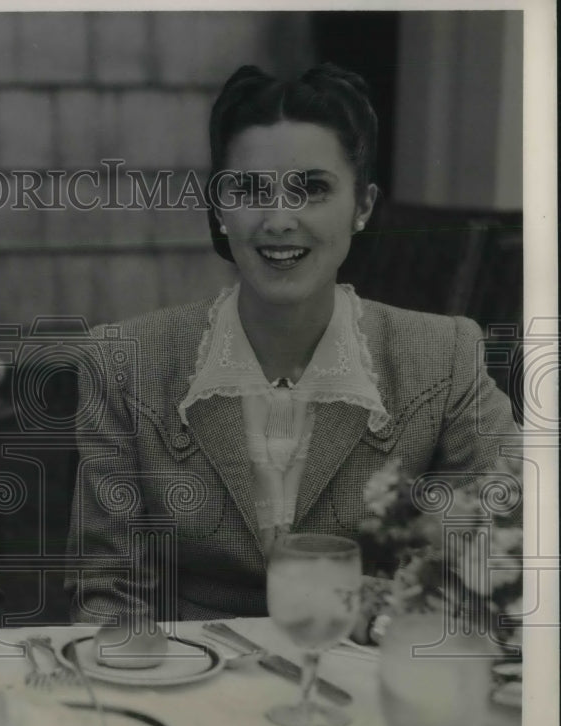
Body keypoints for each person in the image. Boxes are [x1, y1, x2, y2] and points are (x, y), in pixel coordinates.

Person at [64, 64, 520, 626]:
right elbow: (109, 597)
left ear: (363, 206)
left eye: (313, 189)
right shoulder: (123, 362)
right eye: (250, 189)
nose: (280, 220)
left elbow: (511, 541)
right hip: (193, 685)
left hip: (367, 680)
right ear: (219, 207)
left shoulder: (443, 356)